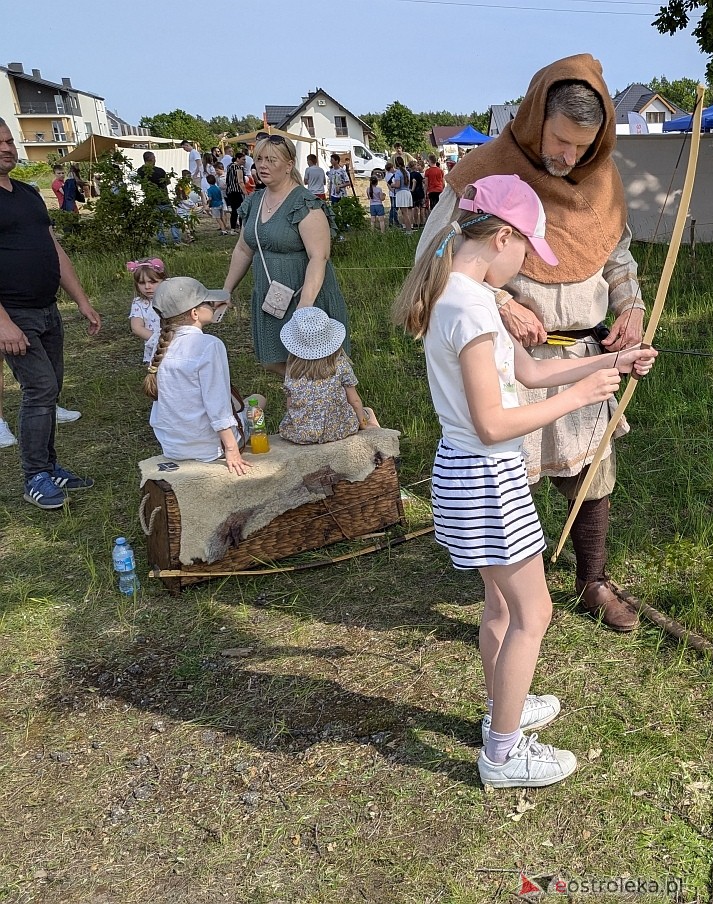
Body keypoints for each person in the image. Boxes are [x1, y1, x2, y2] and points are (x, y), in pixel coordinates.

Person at [394, 174, 656, 788]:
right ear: (504, 236)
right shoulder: (469, 309)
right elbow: (491, 423)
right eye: (525, 251)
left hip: (476, 475)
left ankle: (500, 711)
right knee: (532, 615)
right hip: (486, 475)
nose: (526, 264)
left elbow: (532, 371)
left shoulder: (471, 295)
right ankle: (503, 754)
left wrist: (608, 362)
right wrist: (583, 397)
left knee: (500, 606)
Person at [418, 55, 652, 631]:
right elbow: (439, 261)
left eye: (581, 145)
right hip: (504, 357)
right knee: (508, 476)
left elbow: (616, 257)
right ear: (533, 116)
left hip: (579, 354)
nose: (568, 156)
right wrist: (503, 304)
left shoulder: (600, 178)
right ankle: (513, 593)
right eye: (559, 140)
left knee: (592, 471)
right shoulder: (486, 170)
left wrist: (632, 308)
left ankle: (591, 581)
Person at [0, 117, 101, 508]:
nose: (7, 148)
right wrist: (3, 321)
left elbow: (53, 249)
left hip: (46, 309)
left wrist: (81, 300)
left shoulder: (26, 193)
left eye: (9, 141)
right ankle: (34, 476)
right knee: (39, 388)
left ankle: (50, 466)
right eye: (0, 143)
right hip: (14, 313)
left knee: (50, 388)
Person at [222, 133, 351, 375]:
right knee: (273, 360)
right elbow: (243, 248)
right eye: (259, 159)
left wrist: (305, 306)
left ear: (289, 165)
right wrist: (226, 289)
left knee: (315, 366)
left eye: (271, 160)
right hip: (271, 295)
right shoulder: (255, 200)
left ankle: (338, 405)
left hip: (303, 293)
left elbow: (319, 257)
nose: (262, 165)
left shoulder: (305, 203)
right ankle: (304, 399)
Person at [144, 277, 248, 475]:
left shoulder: (157, 342)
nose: (212, 305)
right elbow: (217, 405)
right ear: (194, 313)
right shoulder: (209, 345)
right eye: (208, 303)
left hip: (172, 446)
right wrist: (232, 449)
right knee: (257, 402)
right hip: (209, 448)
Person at [277, 307, 377, 444]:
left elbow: (290, 404)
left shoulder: (292, 370)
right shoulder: (339, 364)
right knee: (368, 411)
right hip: (340, 430)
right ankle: (377, 441)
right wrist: (363, 424)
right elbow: (354, 401)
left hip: (303, 434)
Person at [127, 257, 166, 365]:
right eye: (142, 283)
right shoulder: (139, 303)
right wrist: (160, 341)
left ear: (163, 280)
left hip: (177, 345)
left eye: (152, 282)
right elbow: (136, 328)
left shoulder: (171, 298)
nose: (147, 287)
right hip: (156, 348)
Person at [138, 151, 183, 245]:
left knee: (158, 223)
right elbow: (167, 182)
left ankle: (163, 242)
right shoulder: (160, 171)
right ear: (151, 159)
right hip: (163, 198)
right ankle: (176, 240)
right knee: (172, 221)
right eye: (154, 158)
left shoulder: (140, 171)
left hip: (151, 200)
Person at [225, 151, 247, 230]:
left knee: (234, 210)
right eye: (243, 159)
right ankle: (241, 227)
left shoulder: (229, 166)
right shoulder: (237, 168)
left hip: (230, 191)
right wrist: (245, 192)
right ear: (237, 159)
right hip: (236, 191)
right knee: (240, 209)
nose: (244, 161)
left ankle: (233, 228)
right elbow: (240, 181)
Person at [391, 158, 414, 231]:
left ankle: (408, 230)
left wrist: (392, 185)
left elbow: (397, 185)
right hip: (407, 192)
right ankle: (409, 228)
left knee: (404, 213)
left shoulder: (398, 173)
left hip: (401, 193)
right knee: (406, 212)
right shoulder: (407, 172)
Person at [408, 160, 425, 226]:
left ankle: (415, 223)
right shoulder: (418, 174)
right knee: (422, 208)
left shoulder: (409, 175)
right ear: (414, 166)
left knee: (414, 208)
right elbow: (423, 181)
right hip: (420, 192)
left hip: (413, 194)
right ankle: (422, 222)